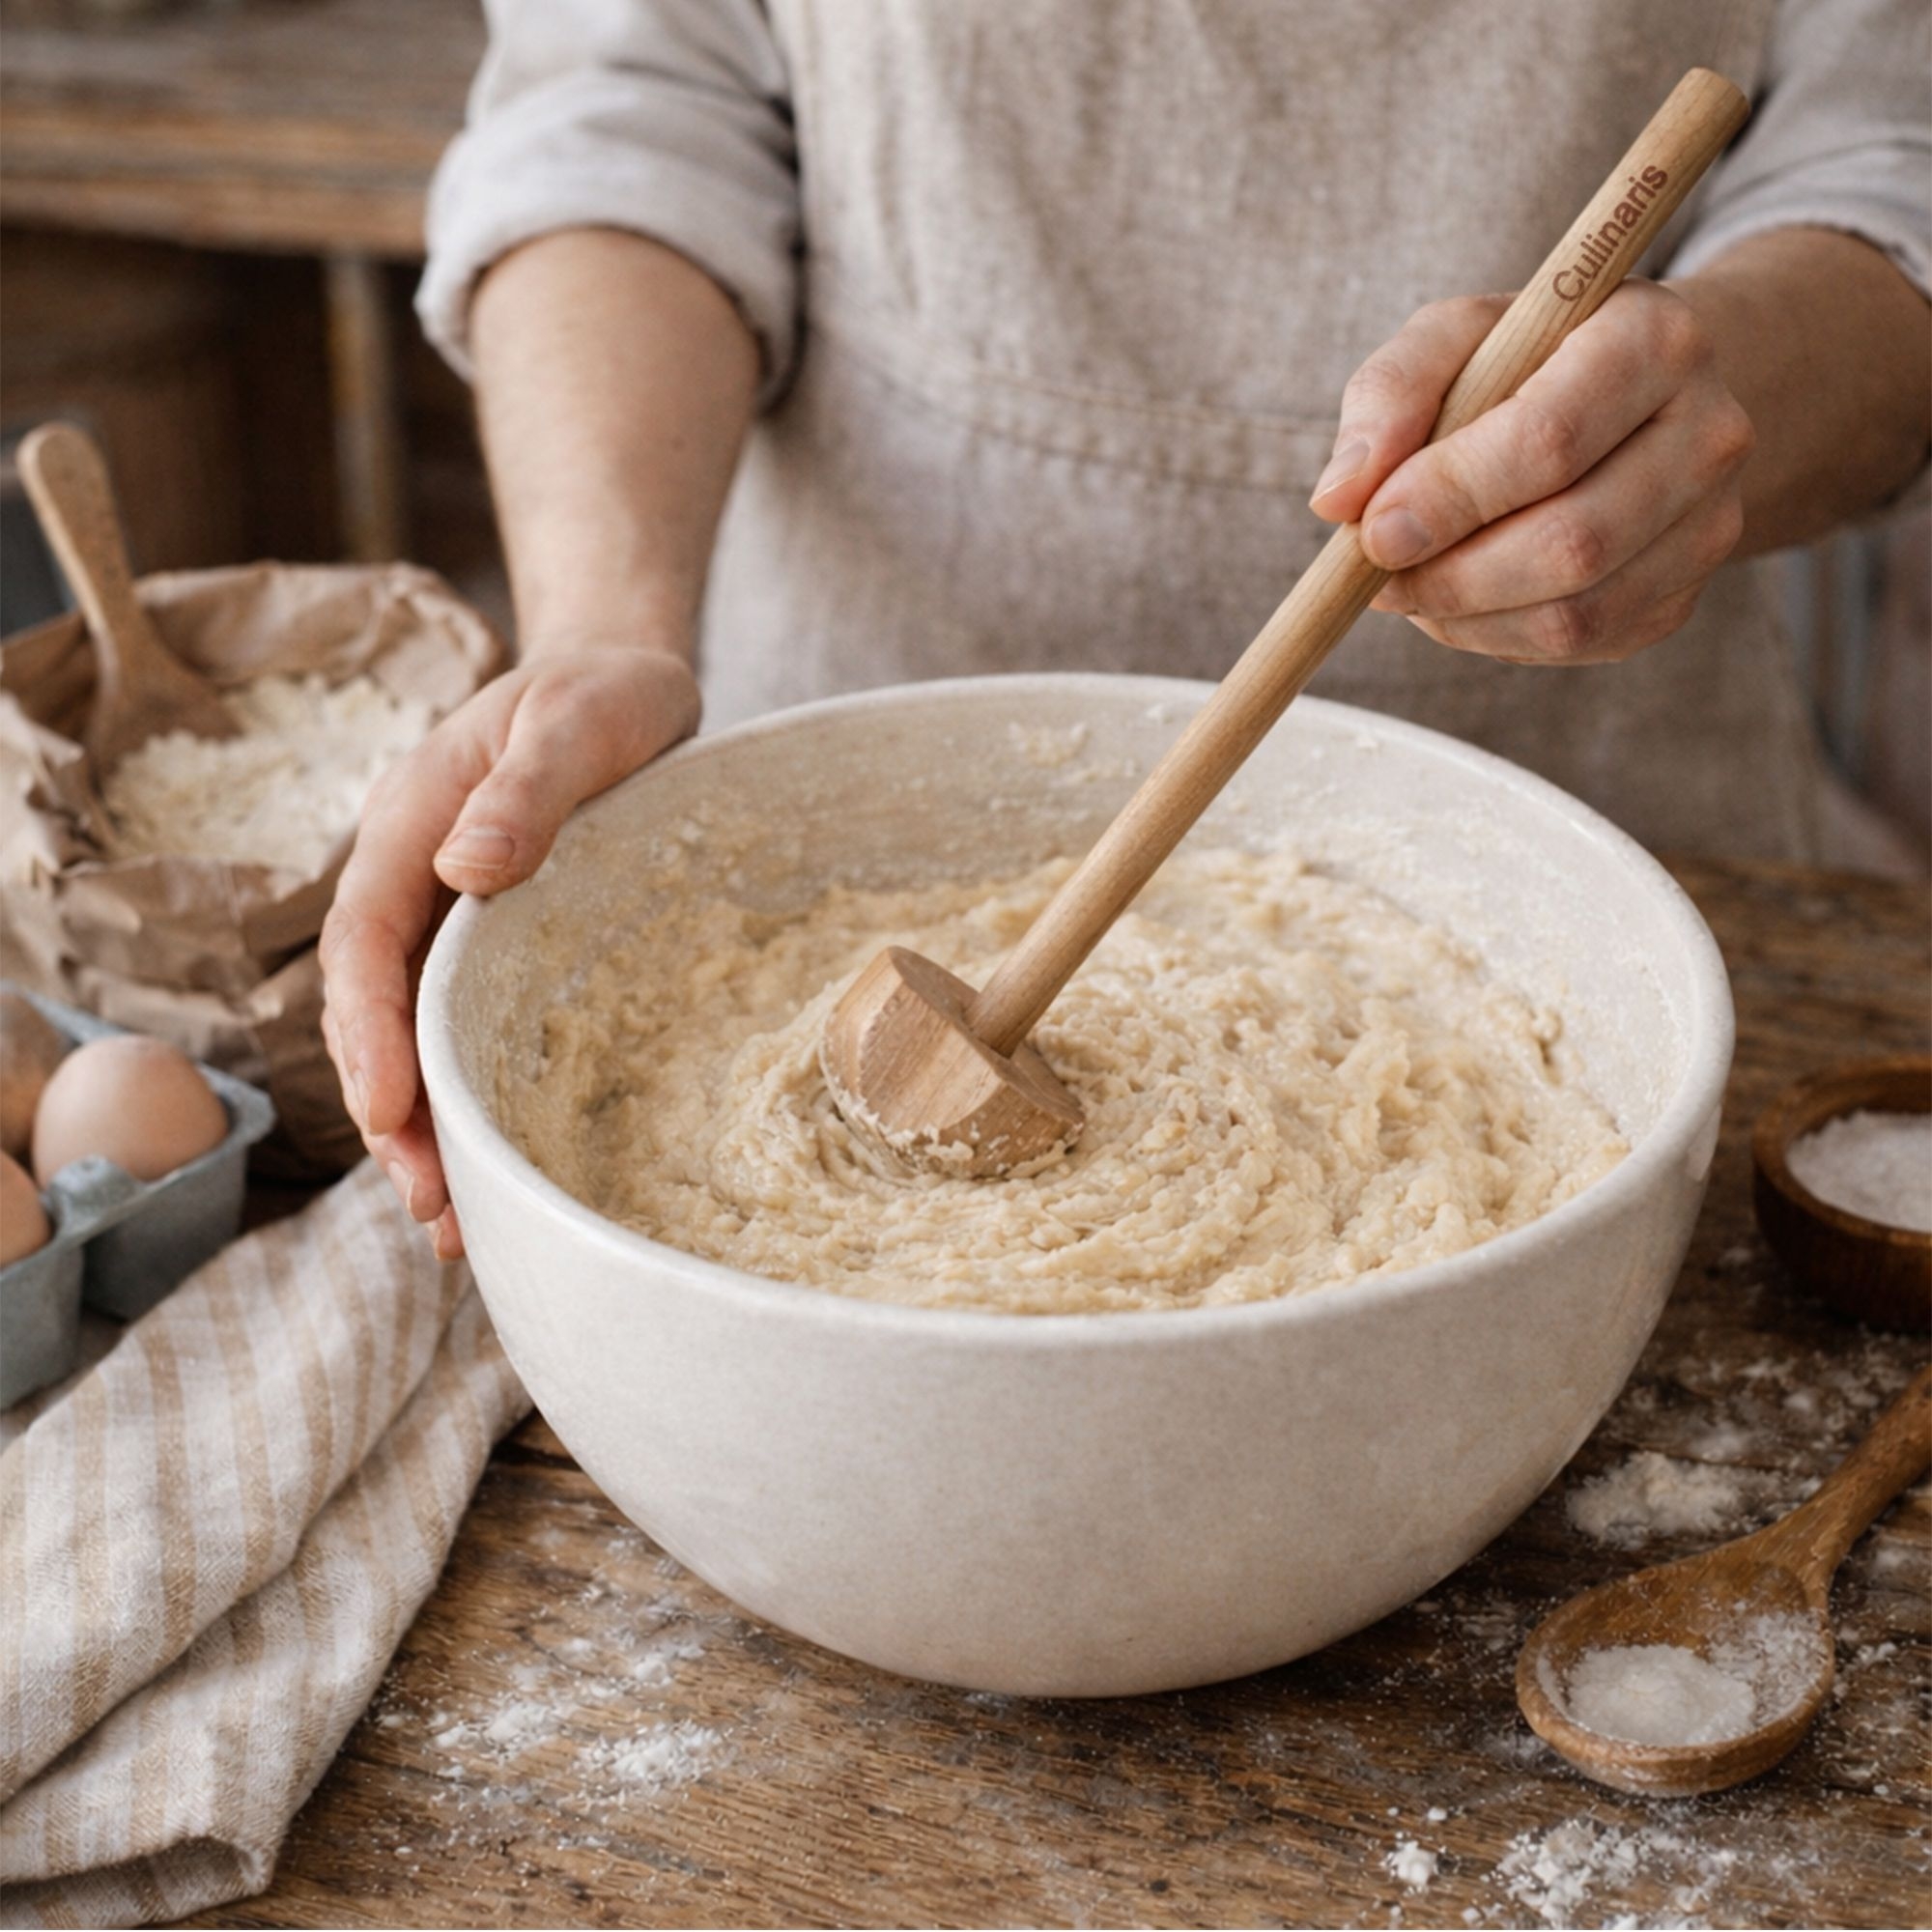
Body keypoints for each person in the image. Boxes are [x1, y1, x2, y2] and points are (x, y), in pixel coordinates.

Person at [322, 0, 1931, 1256]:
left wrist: (1701, 388)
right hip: (798, 725)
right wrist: (604, 626)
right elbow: (625, 113)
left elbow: (1891, 168)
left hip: (1613, 828)